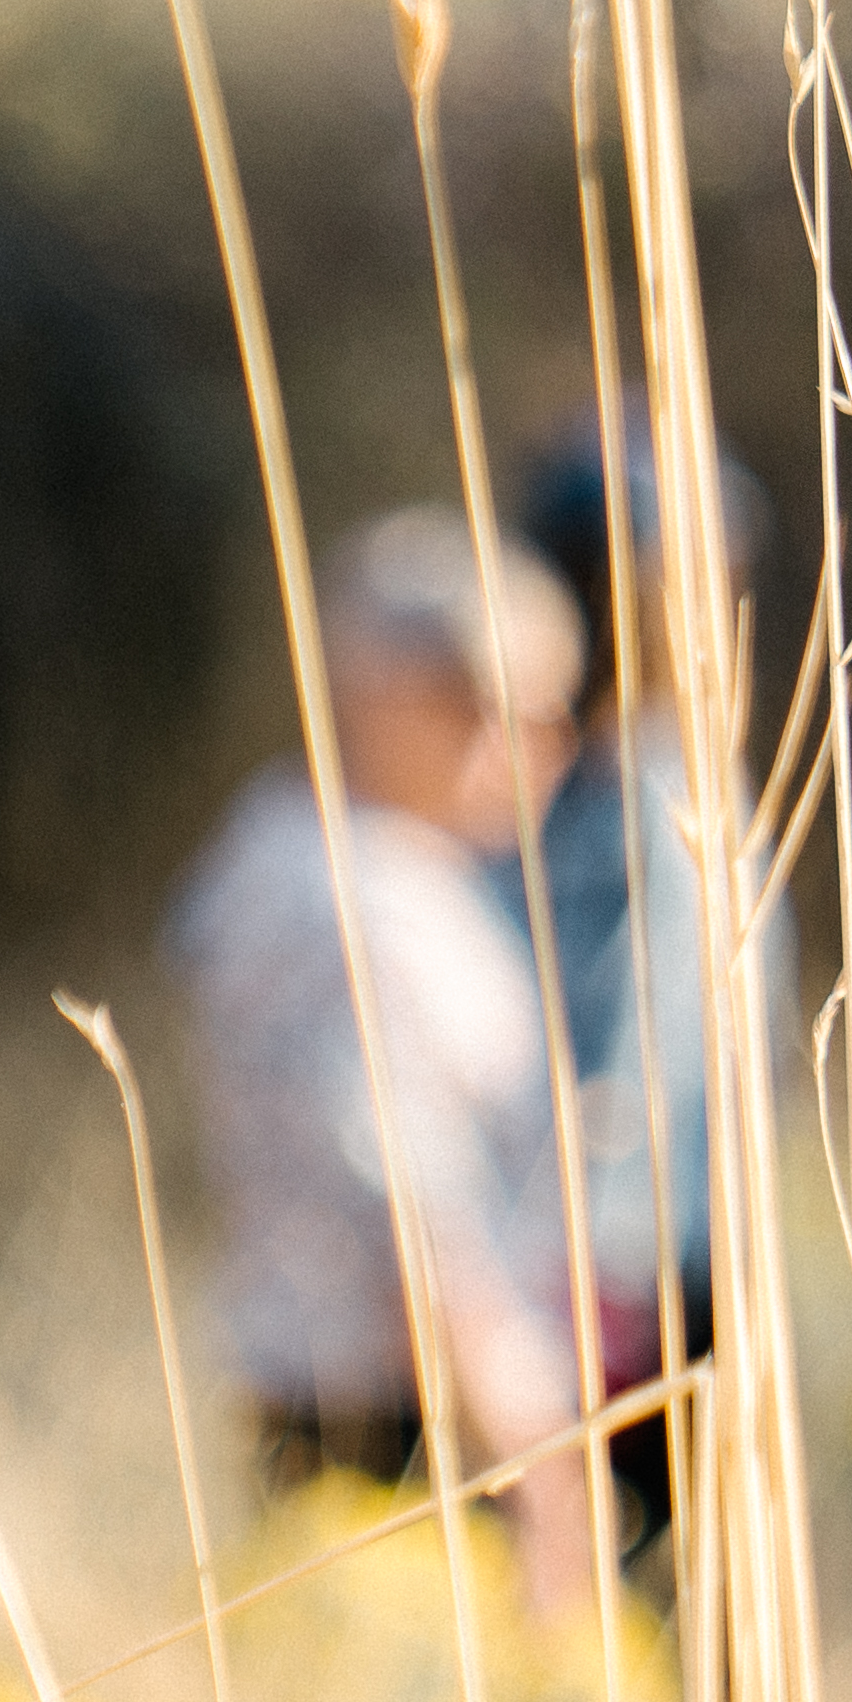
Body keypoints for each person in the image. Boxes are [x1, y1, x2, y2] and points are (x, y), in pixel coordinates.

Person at [160, 513, 595, 1580]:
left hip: (357, 1403)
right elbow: (416, 1220)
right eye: (500, 707)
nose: (543, 751)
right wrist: (545, 1484)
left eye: (556, 713)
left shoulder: (330, 853)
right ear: (382, 693)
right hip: (400, 1425)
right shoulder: (344, 906)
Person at [511, 428, 783, 1575]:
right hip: (626, 1275)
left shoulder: (653, 789)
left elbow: (640, 1065)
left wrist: (589, 1278)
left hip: (630, 1285)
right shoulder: (626, 778)